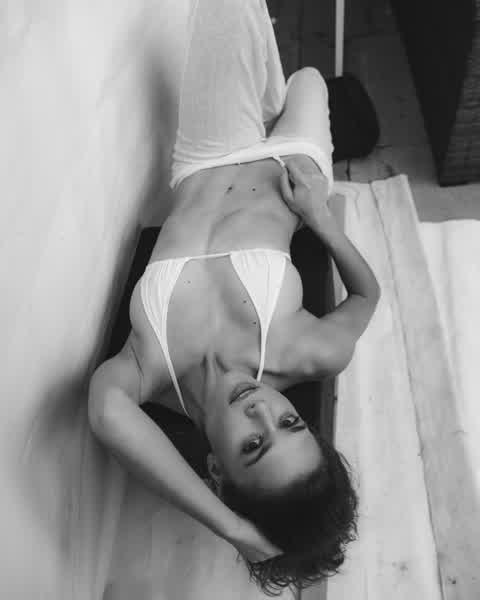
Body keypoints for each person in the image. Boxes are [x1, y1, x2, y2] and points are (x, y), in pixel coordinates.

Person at [88, 0, 380, 594]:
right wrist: (320, 220)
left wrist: (235, 530)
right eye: (291, 422)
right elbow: (365, 297)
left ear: (216, 469)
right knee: (308, 81)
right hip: (295, 172)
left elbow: (104, 414)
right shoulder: (302, 352)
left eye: (253, 445)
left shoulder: (147, 373)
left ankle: (261, 94)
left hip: (205, 159)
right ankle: (273, 100)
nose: (262, 411)